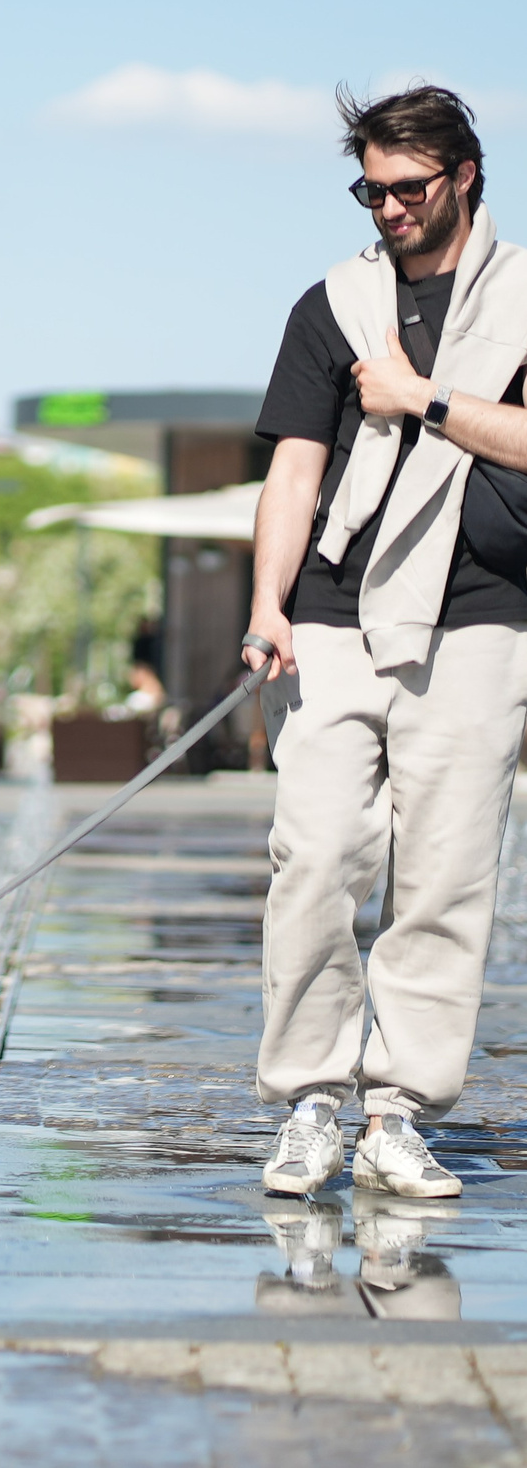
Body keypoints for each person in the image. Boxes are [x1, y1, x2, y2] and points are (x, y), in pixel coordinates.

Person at [247, 85, 527, 1202]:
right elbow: (294, 469)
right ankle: (312, 1098)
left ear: (463, 177)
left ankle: (398, 1111)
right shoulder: (332, 306)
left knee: (447, 874)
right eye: (369, 189)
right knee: (312, 856)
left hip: (482, 616)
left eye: (407, 188)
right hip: (334, 609)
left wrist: (426, 400)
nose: (388, 209)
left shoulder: (522, 298)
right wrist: (268, 604)